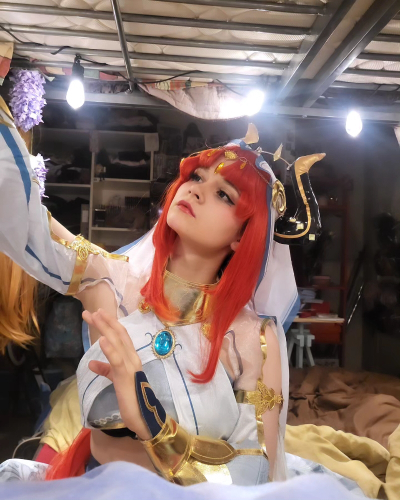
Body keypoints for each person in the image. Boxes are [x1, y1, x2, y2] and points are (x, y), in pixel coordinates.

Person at [0, 99, 363, 492]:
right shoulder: (112, 281)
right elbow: (20, 218)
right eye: (197, 176)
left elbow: (254, 475)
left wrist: (155, 426)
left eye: (224, 195)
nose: (197, 190)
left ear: (243, 237)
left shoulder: (253, 339)